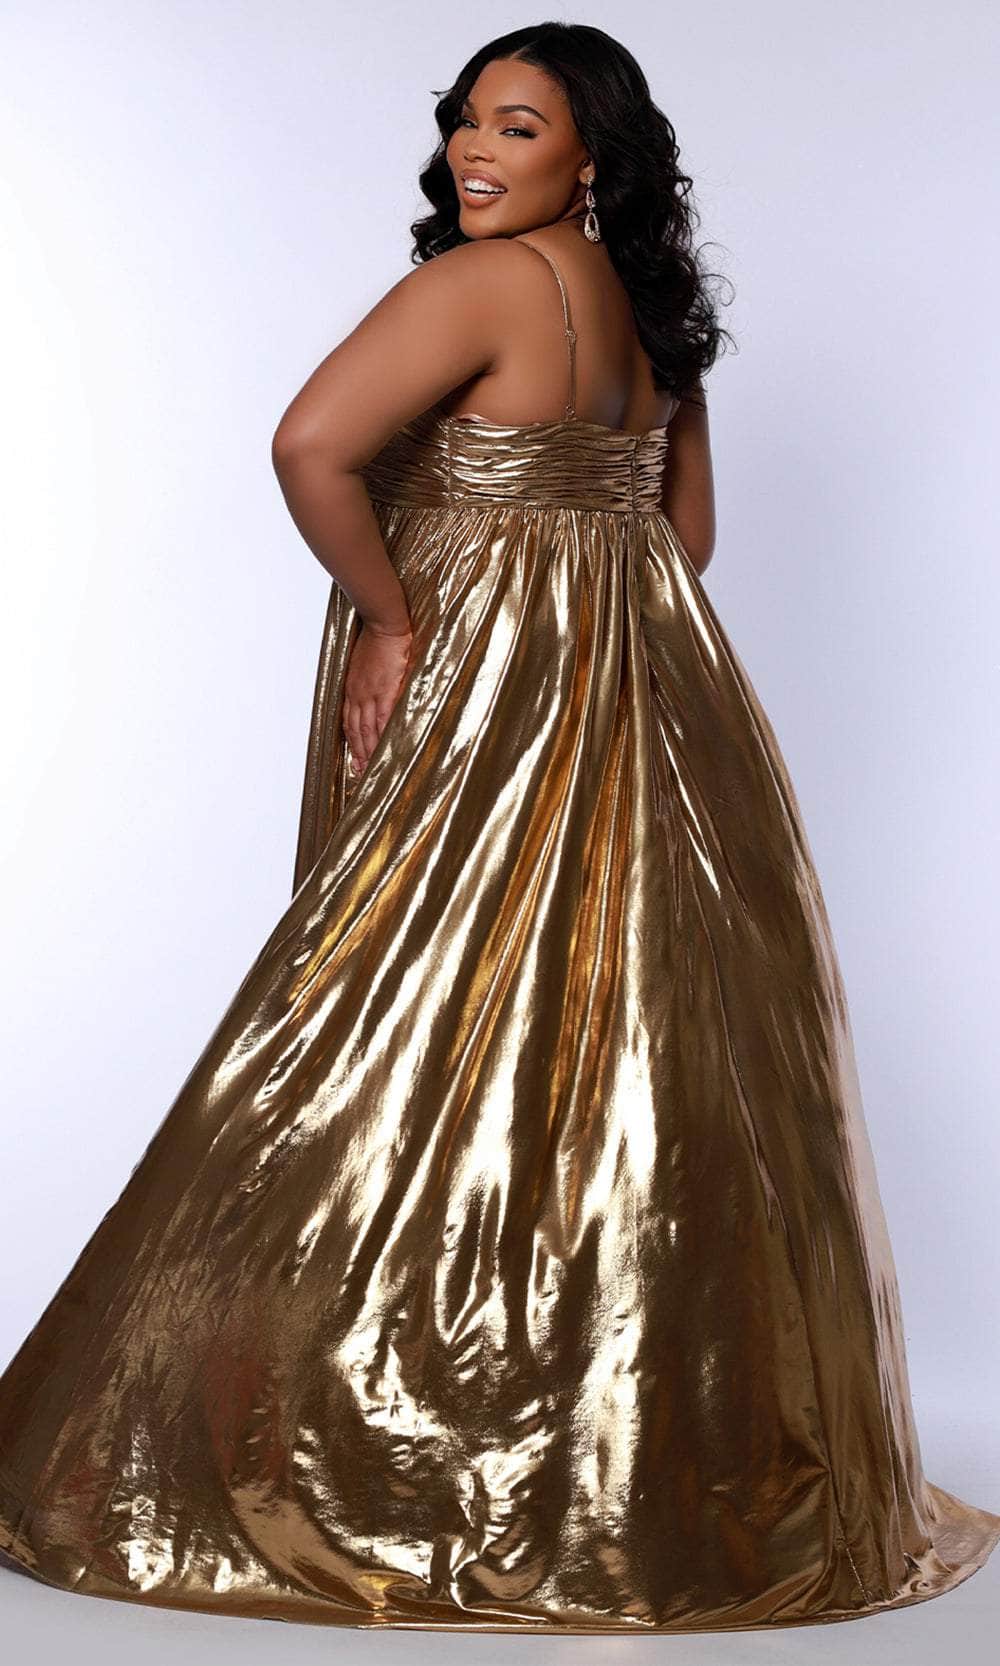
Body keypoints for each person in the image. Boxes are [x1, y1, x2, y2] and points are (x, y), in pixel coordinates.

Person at [1, 20, 997, 1637]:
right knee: (605, 1065)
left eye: (518, 126)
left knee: (379, 1038)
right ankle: (600, 1463)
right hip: (647, 712)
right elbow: (685, 537)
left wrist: (399, 619)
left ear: (589, 157)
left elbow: (309, 445)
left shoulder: (478, 287)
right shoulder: (655, 317)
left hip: (478, 699)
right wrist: (578, 592)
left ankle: (349, 1452)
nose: (476, 149)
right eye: (467, 120)